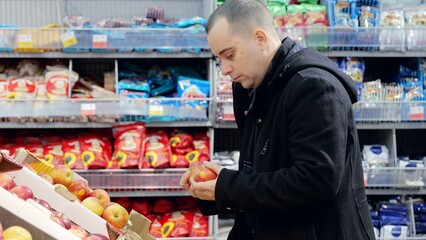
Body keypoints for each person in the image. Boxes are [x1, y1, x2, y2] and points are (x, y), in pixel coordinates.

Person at [180, 0, 376, 239]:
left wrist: (227, 187)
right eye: (219, 59)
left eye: (229, 55)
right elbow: (263, 171)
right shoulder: (251, 87)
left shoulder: (314, 87)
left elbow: (314, 182)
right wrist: (216, 189)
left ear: (260, 39)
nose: (224, 69)